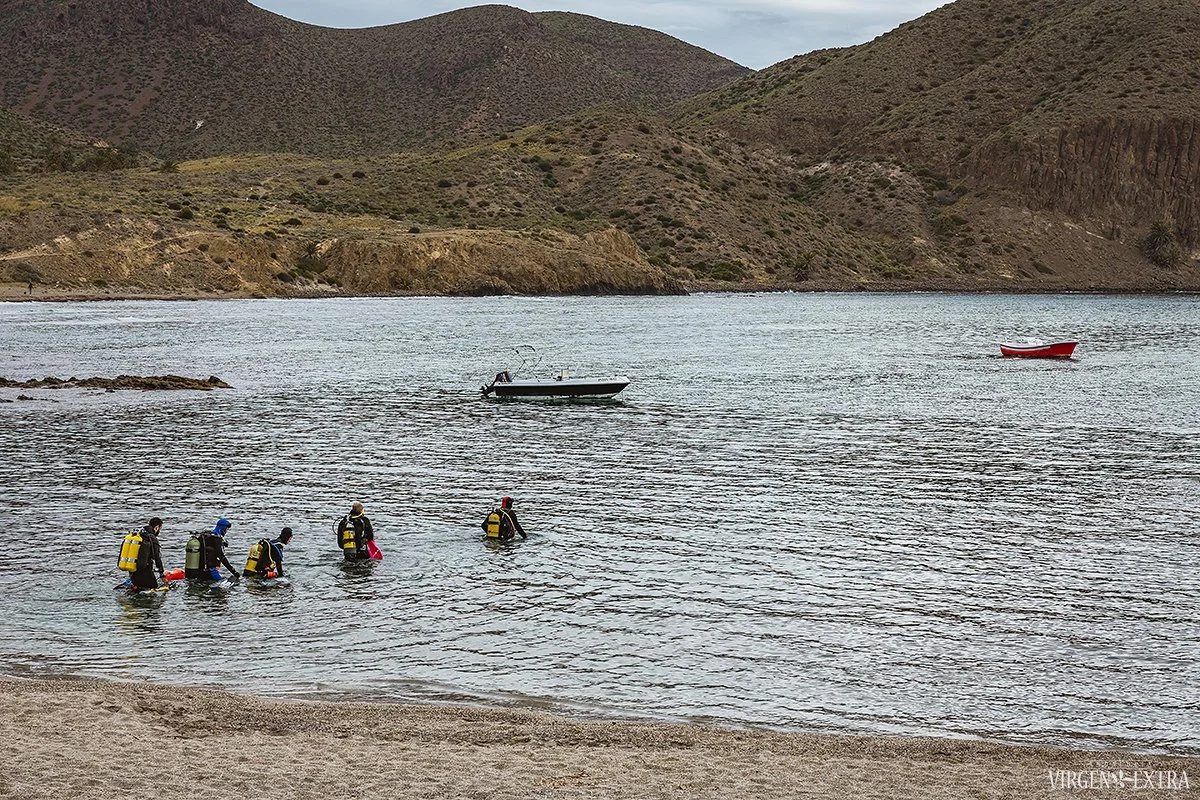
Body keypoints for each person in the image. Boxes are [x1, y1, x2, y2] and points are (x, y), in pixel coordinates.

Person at [186, 518, 238, 582]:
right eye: (227, 529)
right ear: (223, 528)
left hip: (199, 571)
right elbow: (222, 557)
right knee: (223, 584)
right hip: (210, 571)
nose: (227, 531)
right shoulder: (217, 539)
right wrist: (234, 572)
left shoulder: (206, 537)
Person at [128, 517, 167, 593]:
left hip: (133, 572)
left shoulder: (139, 535)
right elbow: (157, 558)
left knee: (137, 590)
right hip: (146, 572)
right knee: (153, 592)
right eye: (160, 529)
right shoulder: (151, 538)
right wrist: (162, 575)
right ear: (157, 527)